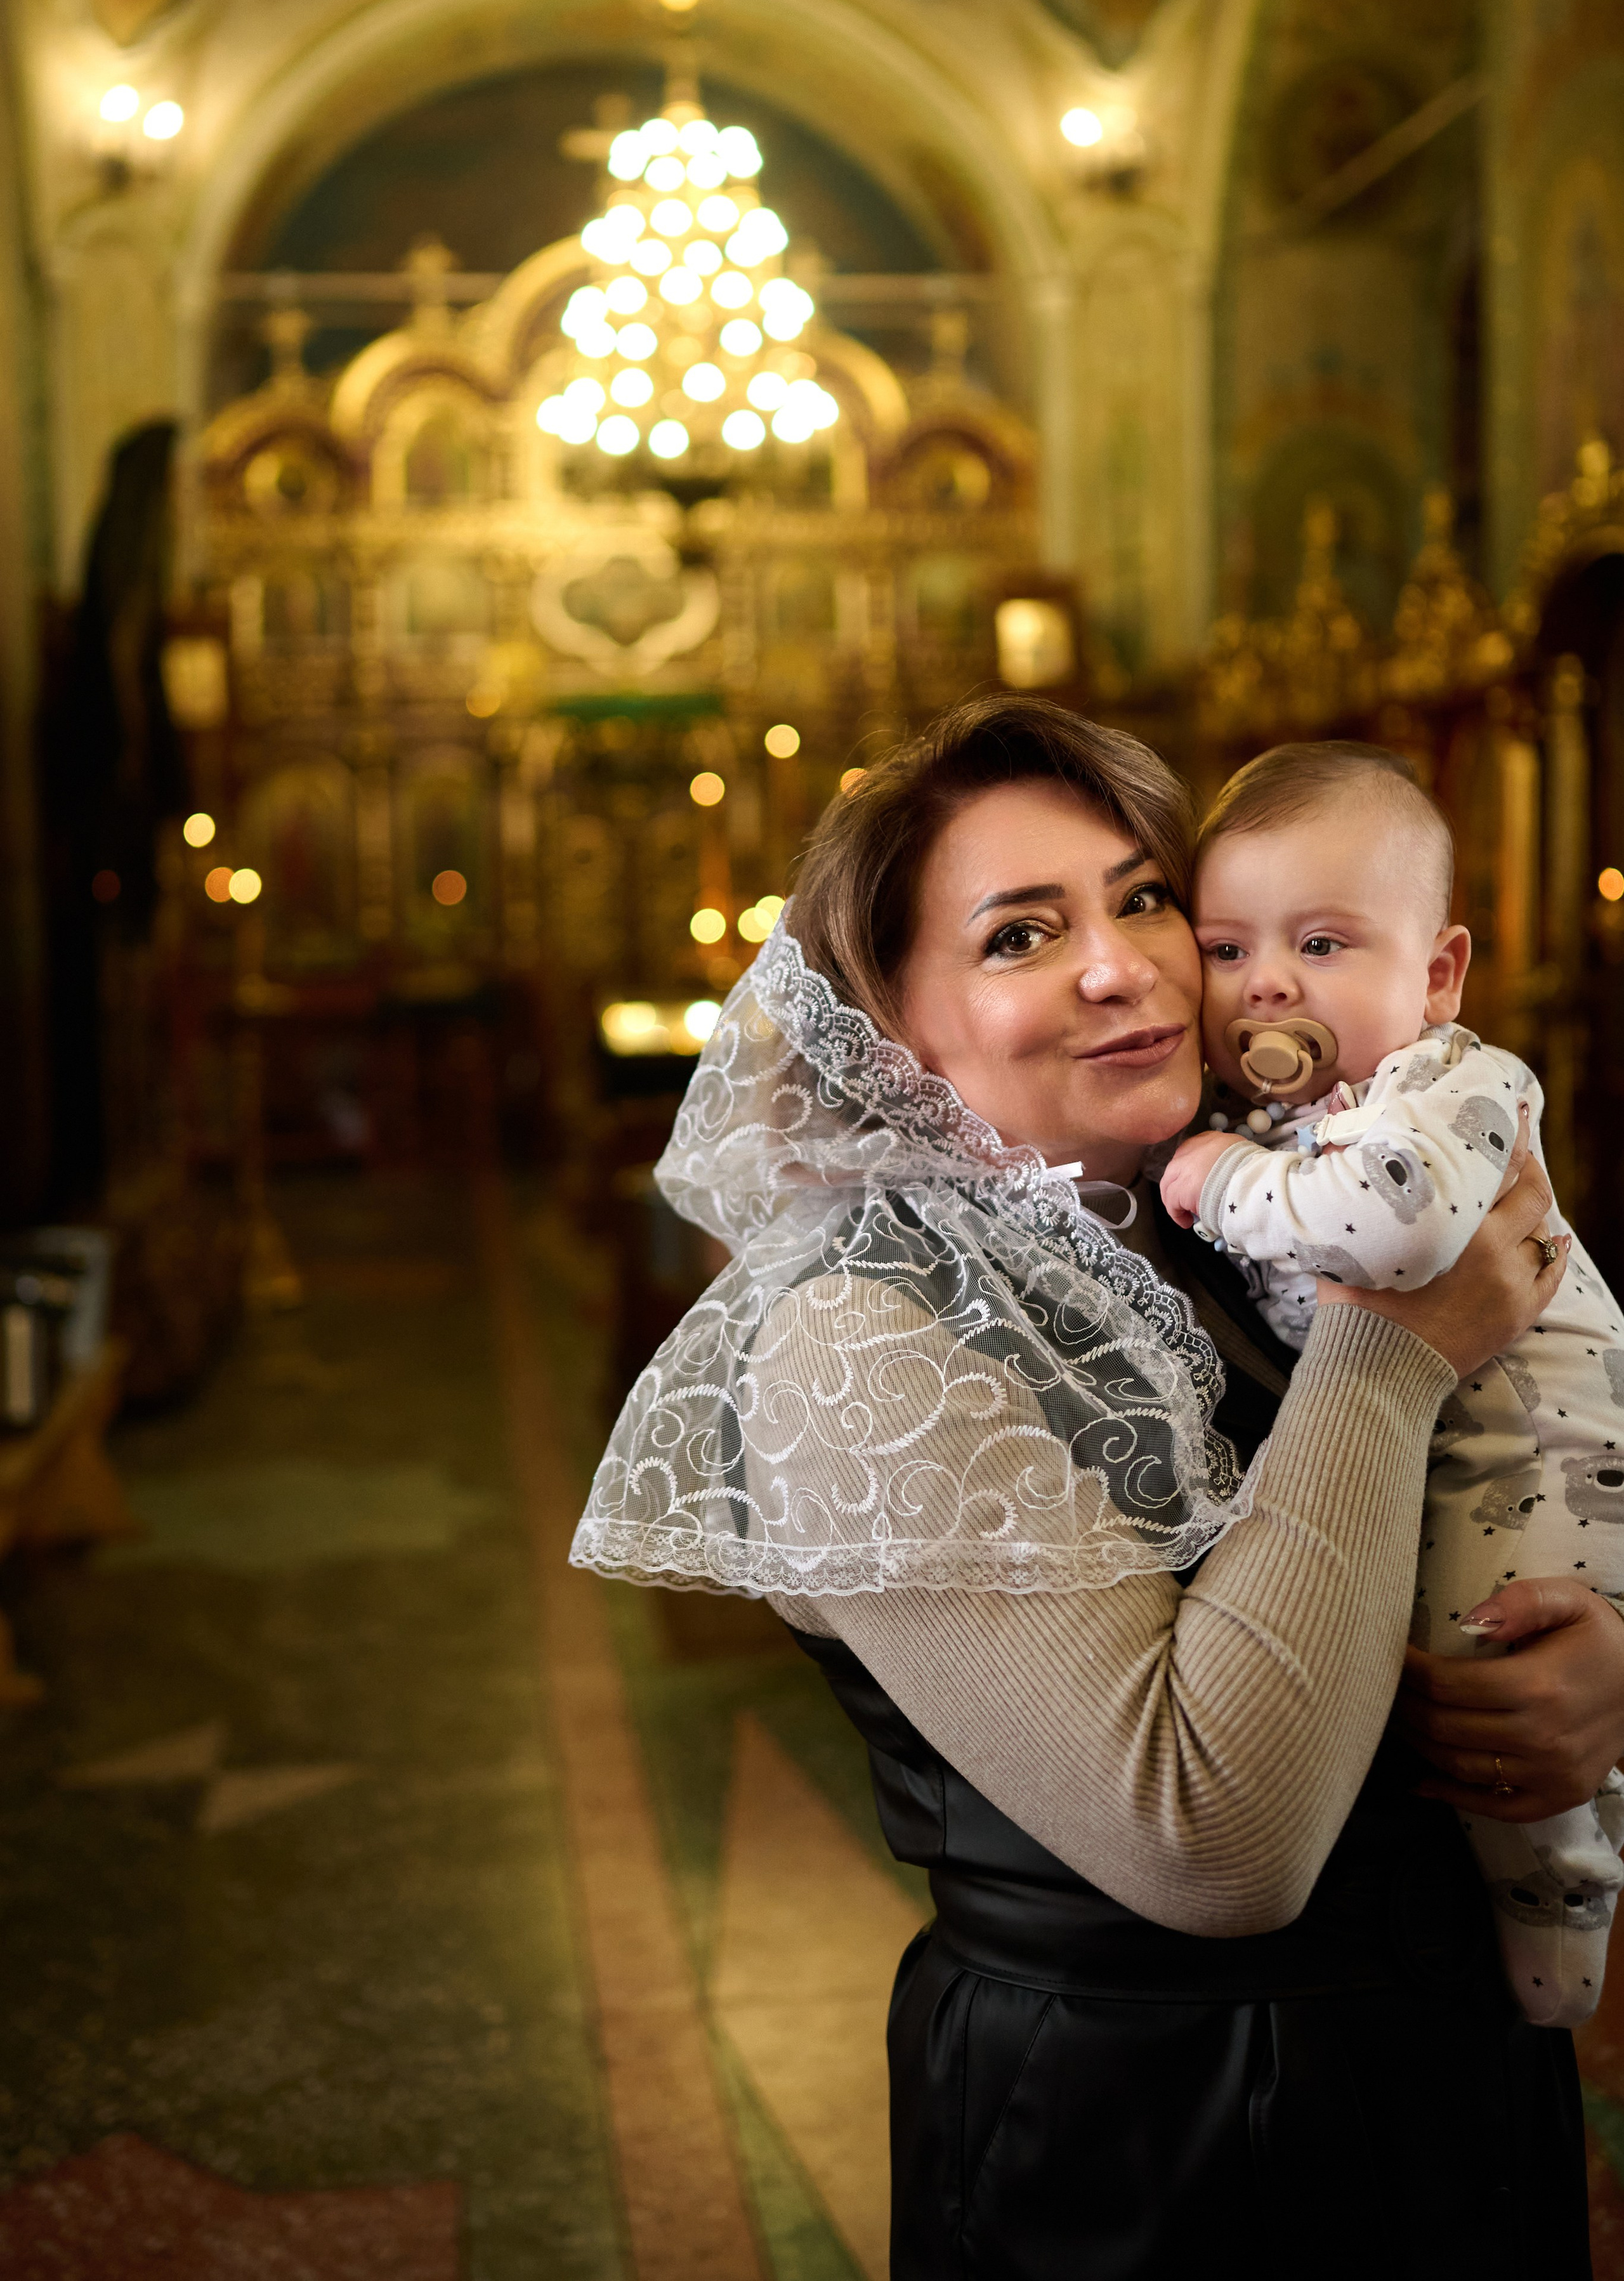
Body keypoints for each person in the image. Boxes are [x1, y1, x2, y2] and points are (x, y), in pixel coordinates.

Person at [571, 695, 1621, 2278]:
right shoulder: (858, 1336)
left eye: (1142, 898)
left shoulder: (1239, 1201)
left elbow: (1545, 1455)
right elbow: (1215, 1839)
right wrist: (1393, 1350)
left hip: (1443, 2074)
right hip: (1158, 2136)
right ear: (895, 1025)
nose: (1121, 962)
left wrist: (1601, 1666)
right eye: (1015, 936)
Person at [1158, 739, 1624, 2029]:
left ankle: (1561, 1950)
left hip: (1533, 1453)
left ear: (1434, 973)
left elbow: (1398, 1231)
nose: (1265, 986)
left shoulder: (1455, 1085)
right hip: (1435, 1458)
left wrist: (1218, 1184)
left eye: (1319, 946)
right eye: (1225, 948)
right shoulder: (1270, 1114)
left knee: (1508, 1691)